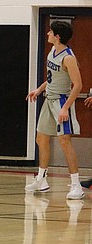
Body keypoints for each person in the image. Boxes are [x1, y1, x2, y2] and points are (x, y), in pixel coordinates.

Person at [25, 21, 83, 200]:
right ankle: (41, 179)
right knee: (41, 138)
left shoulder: (68, 57)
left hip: (61, 102)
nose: (48, 33)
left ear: (57, 36)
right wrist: (39, 89)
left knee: (65, 142)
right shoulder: (52, 51)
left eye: (51, 32)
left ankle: (76, 185)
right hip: (48, 100)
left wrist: (65, 108)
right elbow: (51, 78)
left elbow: (78, 85)